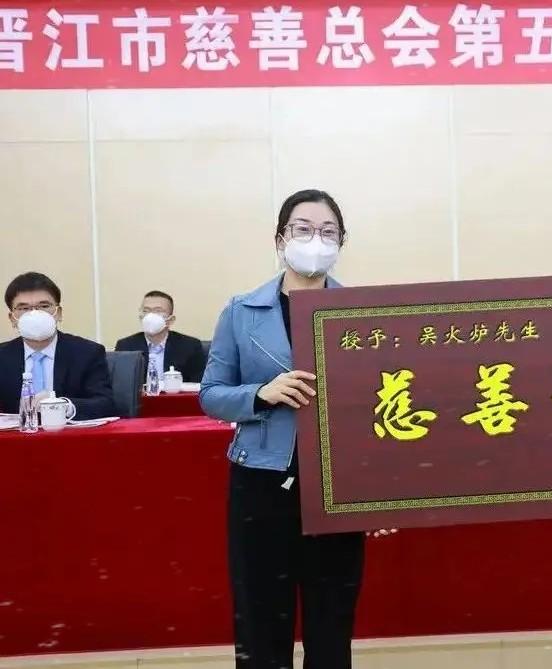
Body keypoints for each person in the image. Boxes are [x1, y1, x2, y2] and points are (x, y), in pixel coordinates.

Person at [200, 189, 369, 669]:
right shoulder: (241, 311)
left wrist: (379, 488)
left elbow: (378, 406)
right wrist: (260, 393)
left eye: (328, 231)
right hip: (260, 480)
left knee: (331, 621)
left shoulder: (362, 313)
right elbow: (211, 394)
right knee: (261, 620)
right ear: (280, 238)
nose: (316, 240)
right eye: (303, 229)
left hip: (336, 485)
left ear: (341, 242)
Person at [0, 272, 114, 420]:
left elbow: (105, 404)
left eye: (44, 306)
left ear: (58, 313)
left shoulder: (87, 352)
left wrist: (63, 406)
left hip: (69, 433)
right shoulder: (2, 356)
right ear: (12, 318)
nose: (35, 314)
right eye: (24, 308)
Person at [115, 290, 207, 383]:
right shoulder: (125, 346)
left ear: (171, 320)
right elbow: (120, 384)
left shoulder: (190, 346)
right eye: (146, 311)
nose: (150, 316)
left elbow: (198, 384)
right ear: (140, 317)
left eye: (158, 311)